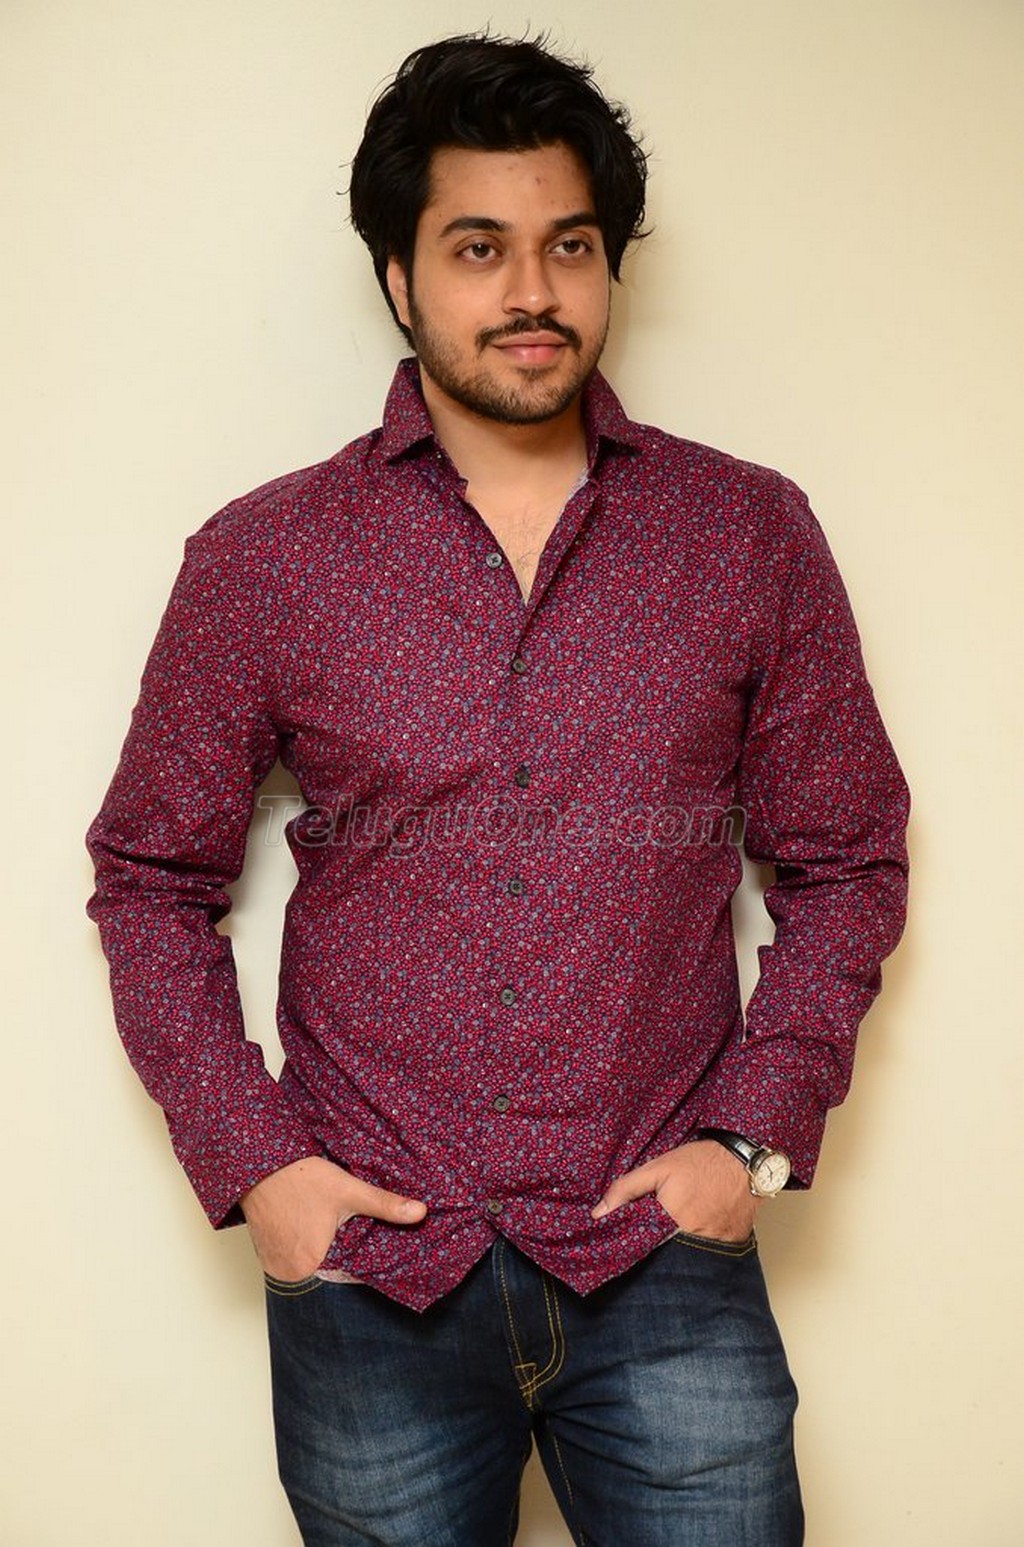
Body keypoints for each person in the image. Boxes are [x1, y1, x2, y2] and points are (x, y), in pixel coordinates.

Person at [85, 32, 910, 1547]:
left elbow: (847, 859)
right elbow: (150, 878)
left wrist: (747, 1141)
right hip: (373, 1280)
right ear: (399, 279)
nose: (532, 291)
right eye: (479, 248)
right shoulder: (266, 560)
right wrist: (261, 1168)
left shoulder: (745, 533)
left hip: (661, 1263)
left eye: (568, 246)